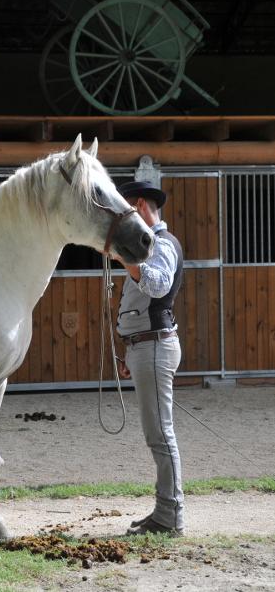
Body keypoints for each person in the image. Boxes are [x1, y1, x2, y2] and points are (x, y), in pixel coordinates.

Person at [114, 180, 184, 536]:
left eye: (125, 209)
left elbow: (157, 285)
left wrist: (126, 259)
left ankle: (170, 516)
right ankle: (164, 511)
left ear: (139, 205)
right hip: (146, 345)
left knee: (161, 435)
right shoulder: (154, 244)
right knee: (158, 434)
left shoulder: (161, 244)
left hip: (154, 344)